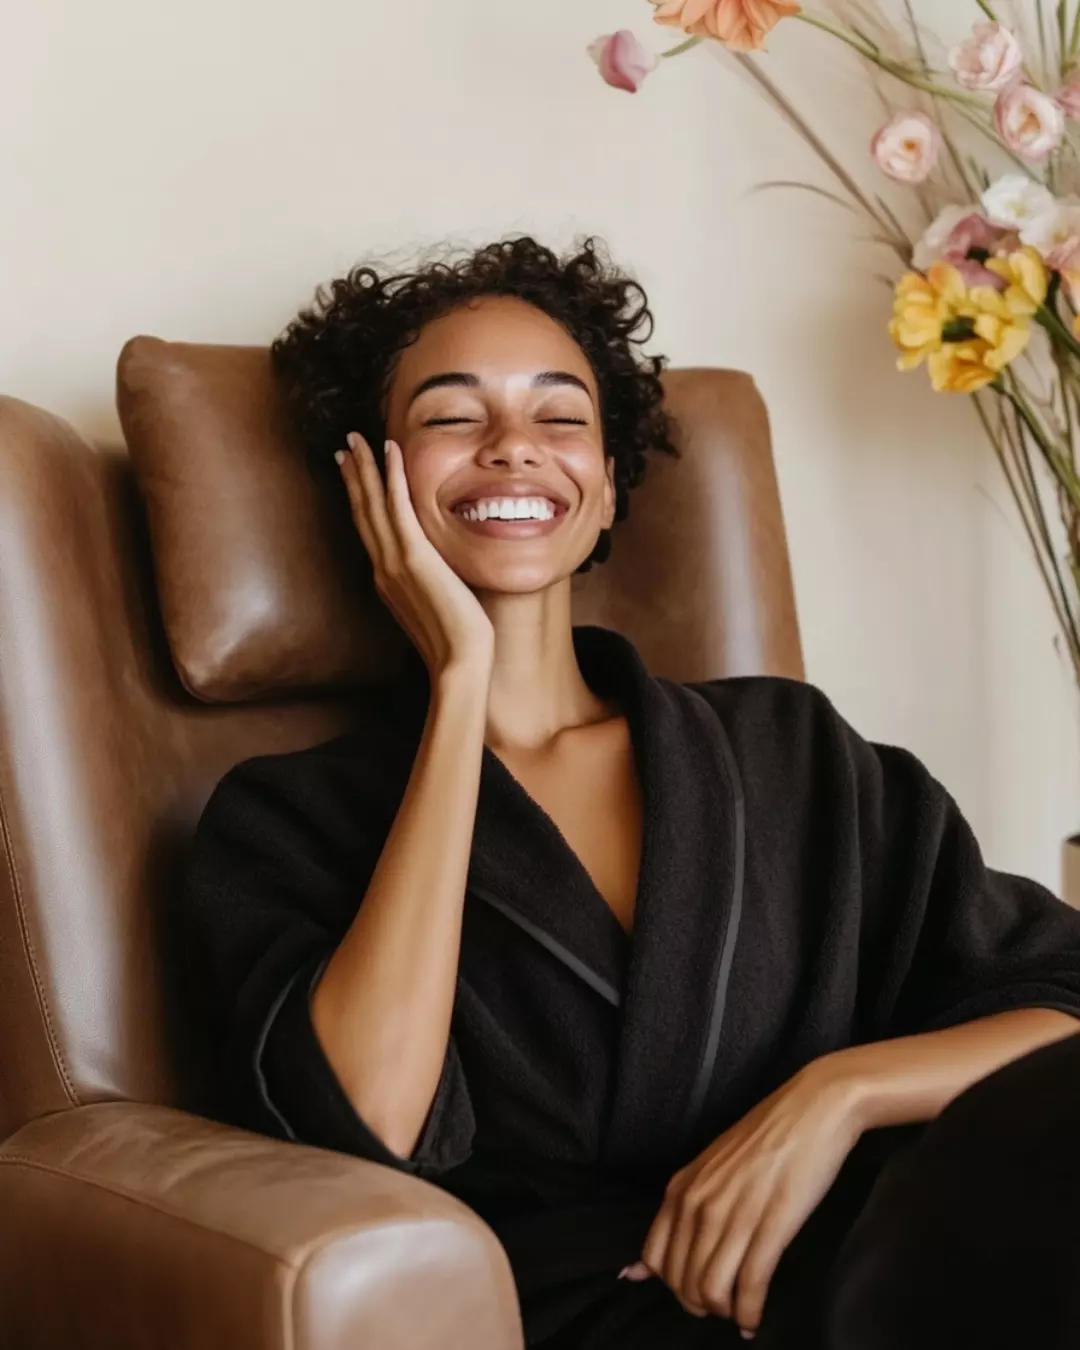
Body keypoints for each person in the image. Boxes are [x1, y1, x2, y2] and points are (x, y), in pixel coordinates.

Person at [181, 235, 1080, 1349]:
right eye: (453, 417)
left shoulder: (785, 747)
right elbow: (367, 1122)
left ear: (607, 488)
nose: (515, 447)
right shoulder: (289, 817)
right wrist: (461, 680)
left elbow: (1062, 991)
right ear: (371, 483)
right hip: (610, 1306)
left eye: (562, 419)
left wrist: (837, 1096)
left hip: (893, 1244)